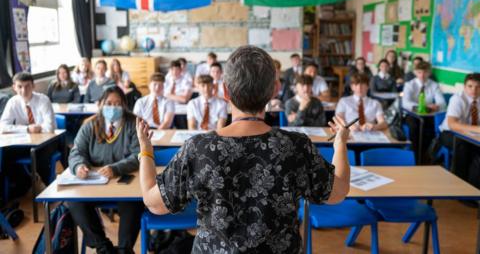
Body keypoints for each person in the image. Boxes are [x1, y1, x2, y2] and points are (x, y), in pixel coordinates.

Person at [136, 45, 350, 253]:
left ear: (225, 91)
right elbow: (337, 193)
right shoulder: (296, 146)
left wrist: (146, 151)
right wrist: (340, 144)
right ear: (274, 90)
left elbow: (154, 203)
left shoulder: (198, 148)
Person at [68, 86, 143, 254]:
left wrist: (116, 168)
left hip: (125, 180)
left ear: (124, 105)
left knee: (133, 202)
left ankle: (124, 249)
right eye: (109, 103)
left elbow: (139, 154)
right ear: (100, 104)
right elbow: (76, 151)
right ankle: (102, 247)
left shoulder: (134, 124)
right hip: (95, 182)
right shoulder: (90, 125)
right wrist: (79, 165)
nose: (113, 107)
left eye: (118, 103)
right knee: (74, 202)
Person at [0, 72, 58, 185]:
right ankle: (23, 182)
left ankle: (47, 189)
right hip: (24, 142)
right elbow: (2, 126)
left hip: (47, 141)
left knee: (39, 157)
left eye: (27, 86)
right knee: (5, 155)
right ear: (14, 88)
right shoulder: (13, 102)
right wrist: (27, 129)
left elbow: (50, 127)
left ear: (33, 86)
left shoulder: (43, 100)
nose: (24, 90)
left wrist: (17, 128)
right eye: (20, 87)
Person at [439, 73, 480, 185]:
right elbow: (452, 124)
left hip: (471, 134)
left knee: (475, 149)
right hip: (448, 133)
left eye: (478, 87)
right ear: (464, 87)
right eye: (470, 86)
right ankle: (460, 185)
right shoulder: (457, 99)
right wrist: (477, 129)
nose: (474, 90)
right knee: (463, 145)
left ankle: (474, 186)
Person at [403, 61, 446, 162]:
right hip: (413, 114)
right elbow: (405, 103)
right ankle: (415, 155)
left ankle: (427, 155)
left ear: (429, 73)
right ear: (415, 72)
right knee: (414, 128)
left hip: (429, 115)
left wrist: (436, 106)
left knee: (432, 130)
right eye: (419, 72)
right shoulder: (410, 84)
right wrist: (420, 107)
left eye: (425, 72)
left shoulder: (434, 85)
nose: (422, 75)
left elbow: (442, 103)